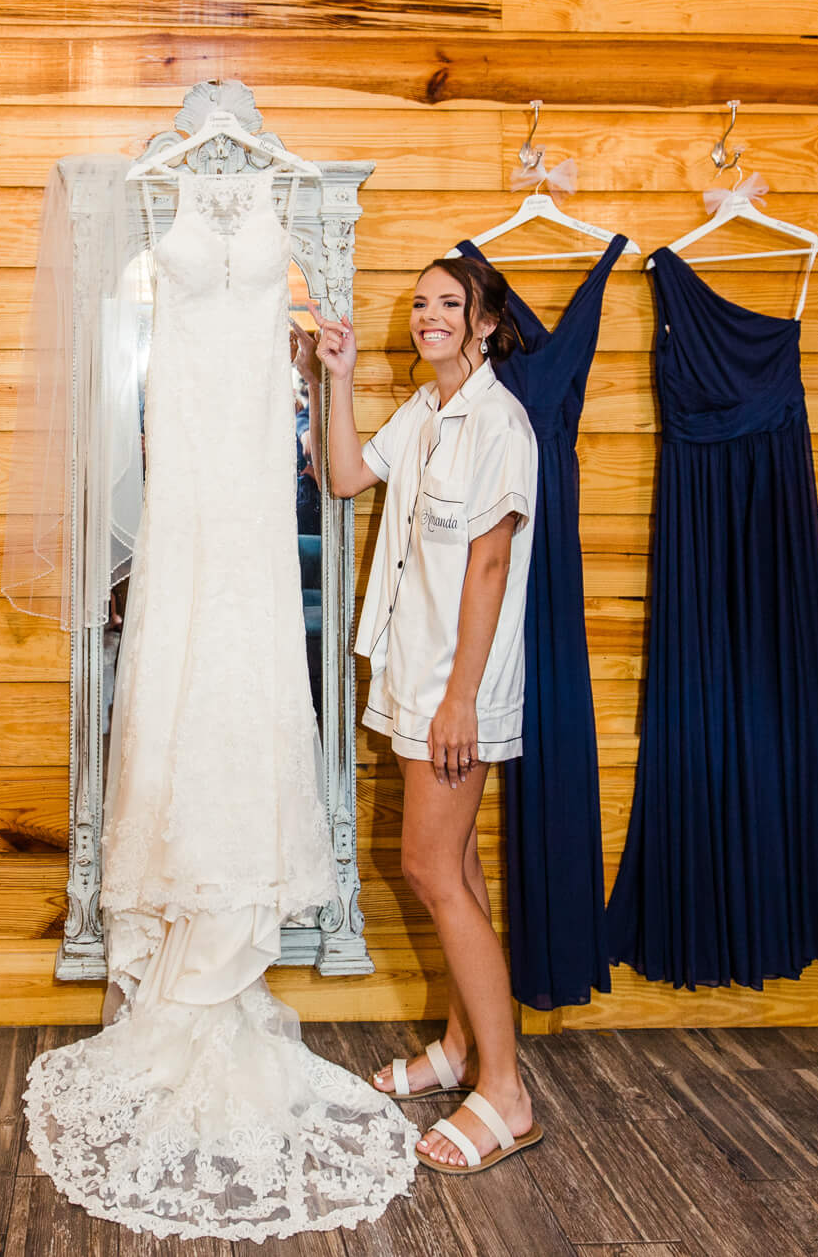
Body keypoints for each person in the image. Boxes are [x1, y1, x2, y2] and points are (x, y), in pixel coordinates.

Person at [313, 257, 545, 1175]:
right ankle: (460, 1050)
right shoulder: (422, 411)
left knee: (425, 867)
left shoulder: (501, 423)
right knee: (460, 866)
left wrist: (461, 700)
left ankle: (509, 1094)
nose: (430, 317)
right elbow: (339, 477)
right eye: (420, 303)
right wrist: (331, 379)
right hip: (414, 674)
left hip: (460, 686)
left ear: (485, 323)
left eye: (451, 304)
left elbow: (488, 568)